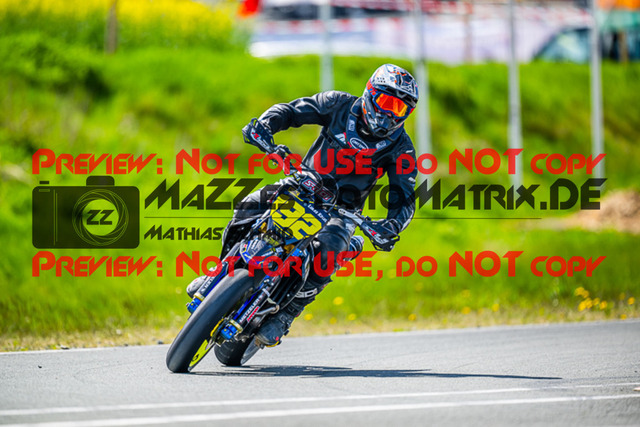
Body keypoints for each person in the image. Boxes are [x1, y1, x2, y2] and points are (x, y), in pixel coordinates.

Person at [190, 63, 419, 347]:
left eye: (399, 108)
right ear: (370, 92)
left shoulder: (402, 147)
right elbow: (291, 111)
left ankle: (287, 314)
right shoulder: (337, 104)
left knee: (329, 251)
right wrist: (265, 126)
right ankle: (219, 274)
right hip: (302, 182)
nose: (389, 113)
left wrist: (392, 225)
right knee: (249, 205)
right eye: (386, 102)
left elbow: (404, 196)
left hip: (343, 212)